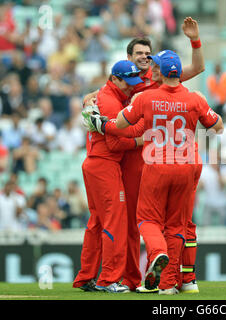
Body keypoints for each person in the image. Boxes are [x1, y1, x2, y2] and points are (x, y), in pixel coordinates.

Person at [82, 17, 205, 293]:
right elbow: (109, 91)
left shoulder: (158, 77)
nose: (145, 58)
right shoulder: (127, 80)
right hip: (135, 159)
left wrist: (195, 41)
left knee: (159, 220)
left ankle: (180, 277)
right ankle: (138, 278)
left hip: (150, 156)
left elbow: (198, 67)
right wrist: (92, 95)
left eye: (148, 54)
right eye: (139, 54)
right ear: (129, 57)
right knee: (134, 222)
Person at [114, 50, 223, 295]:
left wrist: (127, 109)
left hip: (157, 165)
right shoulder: (195, 98)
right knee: (177, 226)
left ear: (162, 72)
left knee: (147, 220)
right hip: (187, 166)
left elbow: (121, 123)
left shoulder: (147, 98)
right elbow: (218, 127)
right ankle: (167, 285)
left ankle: (157, 251)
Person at [72, 60, 144, 293]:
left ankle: (86, 277)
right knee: (116, 220)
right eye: (127, 83)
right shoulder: (111, 101)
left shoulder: (104, 95)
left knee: (97, 222)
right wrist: (141, 137)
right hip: (105, 164)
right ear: (115, 79)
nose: (131, 87)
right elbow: (115, 143)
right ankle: (109, 279)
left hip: (94, 163)